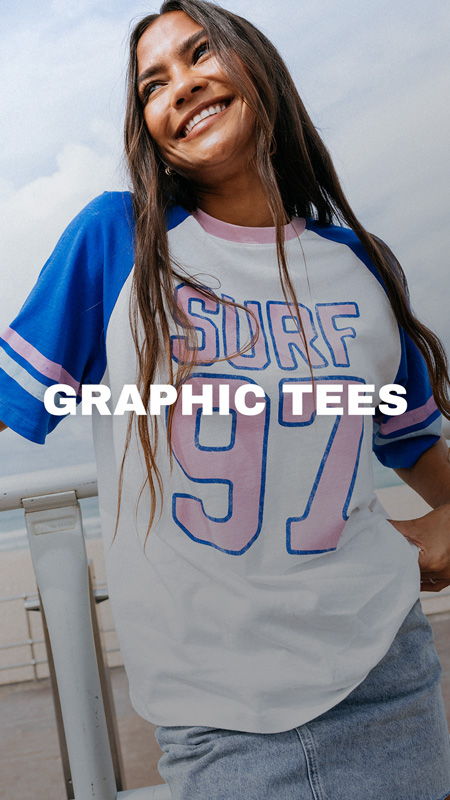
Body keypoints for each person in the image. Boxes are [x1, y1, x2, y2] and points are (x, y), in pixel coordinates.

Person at [1, 1, 450, 797]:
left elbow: (413, 446)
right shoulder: (120, 241)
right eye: (153, 83)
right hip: (224, 722)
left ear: (256, 64)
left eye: (202, 51)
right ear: (147, 125)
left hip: (393, 682)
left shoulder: (362, 265)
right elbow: (17, 400)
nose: (181, 85)